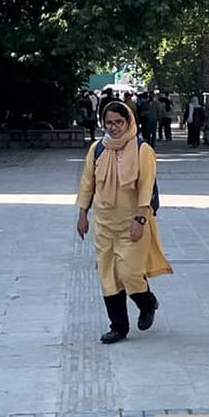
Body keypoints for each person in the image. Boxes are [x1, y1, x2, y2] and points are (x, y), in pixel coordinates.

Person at [75, 101, 173, 343]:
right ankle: (118, 327)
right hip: (104, 223)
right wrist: (82, 214)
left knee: (129, 273)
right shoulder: (97, 149)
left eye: (119, 122)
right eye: (109, 123)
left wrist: (140, 218)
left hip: (133, 223)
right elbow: (88, 183)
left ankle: (147, 303)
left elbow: (146, 186)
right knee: (108, 276)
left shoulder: (142, 150)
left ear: (129, 122)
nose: (114, 127)